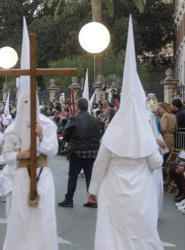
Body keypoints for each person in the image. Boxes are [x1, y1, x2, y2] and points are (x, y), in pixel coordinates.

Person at [88, 17, 164, 250]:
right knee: (141, 237)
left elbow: (100, 164)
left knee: (113, 236)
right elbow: (155, 163)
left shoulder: (113, 133)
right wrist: (157, 150)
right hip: (141, 192)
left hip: (114, 192)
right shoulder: (145, 133)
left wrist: (92, 191)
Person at [2, 18, 59, 250]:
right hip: (21, 175)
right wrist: (19, 154)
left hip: (43, 174)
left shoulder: (48, 124)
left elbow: (54, 150)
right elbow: (5, 155)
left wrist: (41, 137)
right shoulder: (12, 128)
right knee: (21, 220)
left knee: (43, 218)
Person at [58, 98, 101, 208]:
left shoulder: (74, 119)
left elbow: (66, 133)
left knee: (73, 176)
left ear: (78, 107)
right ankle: (92, 200)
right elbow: (98, 135)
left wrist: (67, 141)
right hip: (92, 152)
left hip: (77, 151)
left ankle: (69, 200)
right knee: (90, 177)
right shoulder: (95, 120)